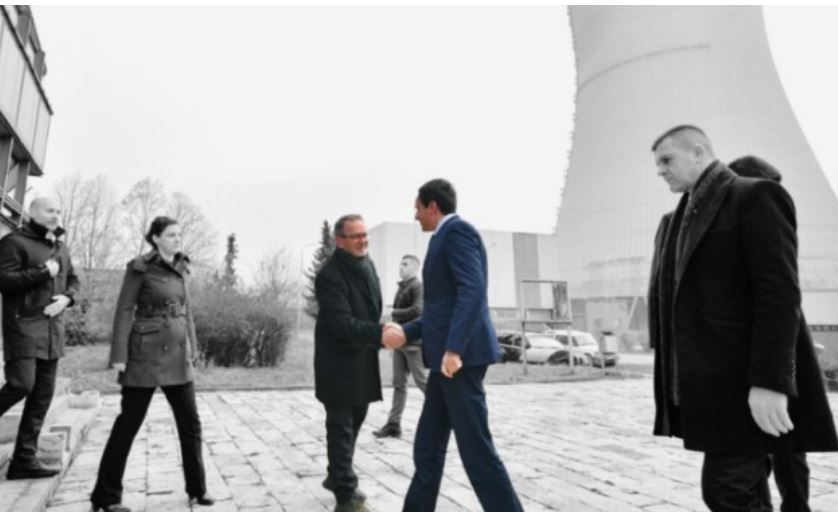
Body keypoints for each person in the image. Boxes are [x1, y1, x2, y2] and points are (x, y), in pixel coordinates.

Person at [647, 125, 838, 512]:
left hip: (747, 382)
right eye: (657, 164)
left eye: (667, 160)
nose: (660, 170)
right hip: (714, 388)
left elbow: (778, 294)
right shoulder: (680, 217)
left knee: (727, 491)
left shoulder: (756, 196)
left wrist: (771, 382)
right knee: (744, 489)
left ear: (698, 152)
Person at [391, 179, 523, 512]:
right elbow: (441, 309)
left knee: (477, 452)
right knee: (427, 447)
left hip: (459, 361)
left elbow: (472, 291)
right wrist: (406, 332)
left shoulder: (458, 232)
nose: (415, 215)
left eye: (417, 208)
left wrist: (454, 349)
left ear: (432, 206)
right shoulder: (441, 237)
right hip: (444, 363)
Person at [90, 216, 213, 512]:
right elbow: (124, 309)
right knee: (128, 424)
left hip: (178, 357)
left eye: (179, 234)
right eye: (171, 234)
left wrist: (193, 348)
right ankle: (105, 497)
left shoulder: (183, 266)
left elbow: (186, 311)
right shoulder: (140, 267)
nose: (177, 239)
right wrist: (119, 355)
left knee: (191, 423)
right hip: (145, 355)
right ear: (156, 238)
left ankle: (197, 489)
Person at [314, 214, 403, 512]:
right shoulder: (329, 275)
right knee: (340, 427)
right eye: (356, 236)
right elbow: (340, 322)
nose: (363, 240)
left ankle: (336, 475)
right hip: (337, 362)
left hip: (362, 356)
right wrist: (379, 333)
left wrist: (379, 331)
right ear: (340, 241)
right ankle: (346, 496)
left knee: (356, 419)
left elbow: (372, 306)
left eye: (365, 235)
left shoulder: (368, 264)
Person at [0, 197, 79, 480]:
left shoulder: (59, 246)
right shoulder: (14, 242)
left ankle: (24, 459)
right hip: (22, 326)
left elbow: (73, 280)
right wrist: (42, 272)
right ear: (33, 213)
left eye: (58, 211)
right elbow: (3, 280)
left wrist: (67, 299)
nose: (55, 215)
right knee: (21, 384)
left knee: (42, 397)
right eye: (49, 211)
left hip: (52, 330)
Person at [373, 254, 427, 439]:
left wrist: (394, 312)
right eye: (400, 264)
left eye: (405, 264)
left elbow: (419, 310)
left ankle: (447, 415)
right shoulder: (403, 286)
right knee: (398, 384)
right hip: (399, 343)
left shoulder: (417, 285)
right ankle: (393, 425)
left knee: (423, 383)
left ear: (415, 268)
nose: (401, 267)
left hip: (413, 344)